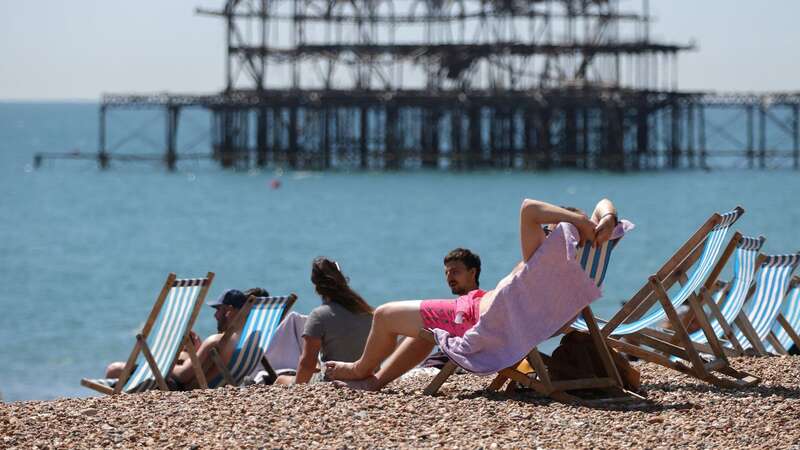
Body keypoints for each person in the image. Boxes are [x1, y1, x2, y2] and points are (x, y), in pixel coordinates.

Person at [324, 198, 619, 391]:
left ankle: (359, 369)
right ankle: (376, 381)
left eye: (548, 228)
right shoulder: (569, 273)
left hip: (476, 319)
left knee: (385, 314)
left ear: (558, 234)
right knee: (424, 326)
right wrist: (606, 216)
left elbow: (528, 208)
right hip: (487, 315)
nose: (542, 230)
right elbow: (603, 203)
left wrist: (576, 222)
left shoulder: (542, 259)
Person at [104, 287, 269, 390]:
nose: (215, 315)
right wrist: (197, 351)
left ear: (230, 311)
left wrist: (160, 361)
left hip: (178, 386)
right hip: (213, 383)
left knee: (114, 369)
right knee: (182, 356)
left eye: (218, 310)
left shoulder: (216, 340)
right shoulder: (249, 340)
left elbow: (183, 376)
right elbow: (208, 368)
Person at [275, 257, 373, 385]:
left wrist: (297, 389)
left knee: (281, 380)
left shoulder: (319, 315)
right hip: (368, 377)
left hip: (334, 380)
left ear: (317, 287)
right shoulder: (367, 311)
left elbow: (307, 364)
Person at [419, 248, 483, 369]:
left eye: (455, 272)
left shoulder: (477, 303)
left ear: (472, 272)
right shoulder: (460, 305)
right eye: (446, 272)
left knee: (421, 326)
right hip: (446, 359)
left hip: (452, 361)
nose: (449, 277)